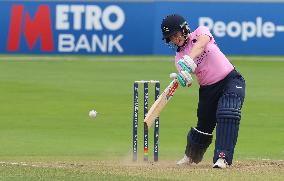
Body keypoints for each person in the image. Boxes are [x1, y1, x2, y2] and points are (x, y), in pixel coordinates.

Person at [161, 14, 246, 168]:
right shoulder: (179, 57)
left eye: (175, 34)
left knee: (227, 112)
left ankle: (223, 158)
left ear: (184, 29)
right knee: (204, 124)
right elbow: (188, 81)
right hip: (208, 89)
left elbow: (201, 45)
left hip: (230, 80)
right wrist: (184, 78)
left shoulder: (201, 32)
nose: (174, 39)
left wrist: (190, 59)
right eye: (170, 37)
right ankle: (191, 156)